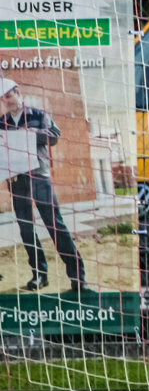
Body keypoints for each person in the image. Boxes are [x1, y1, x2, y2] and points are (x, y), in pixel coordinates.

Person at [0, 78, 89, 293]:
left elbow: (55, 136)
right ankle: (39, 274)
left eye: (9, 95)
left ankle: (78, 277)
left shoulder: (38, 115)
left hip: (39, 178)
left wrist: (30, 136)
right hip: (17, 181)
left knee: (56, 226)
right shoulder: (2, 122)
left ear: (17, 92)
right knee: (26, 229)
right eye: (2, 98)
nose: (6, 101)